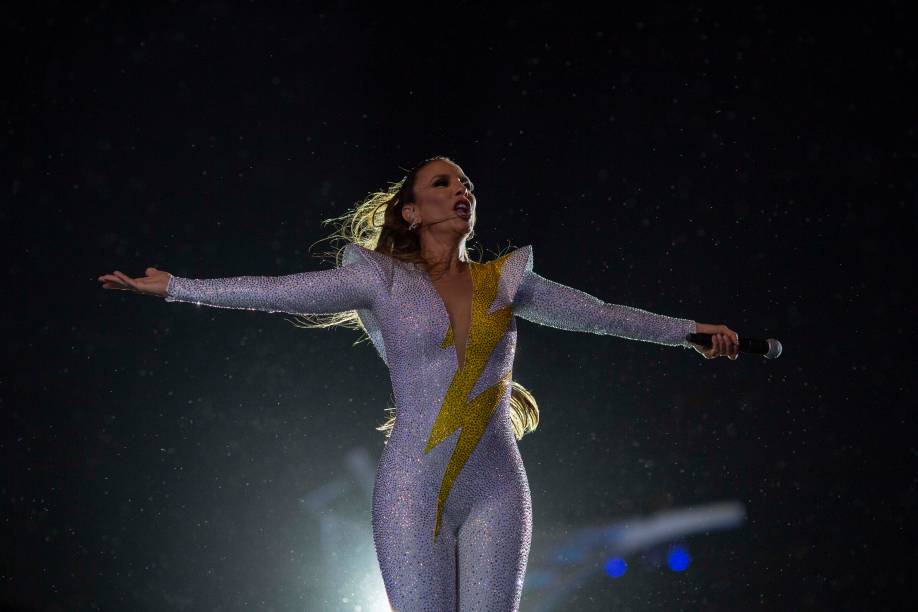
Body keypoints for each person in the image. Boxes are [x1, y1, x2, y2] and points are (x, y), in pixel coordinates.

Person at [98, 156, 739, 611]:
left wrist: (691, 329)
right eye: (443, 182)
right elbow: (271, 290)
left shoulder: (507, 283)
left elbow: (604, 315)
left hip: (498, 483)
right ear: (412, 210)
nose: (462, 189)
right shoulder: (378, 281)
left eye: (466, 183)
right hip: (413, 485)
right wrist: (176, 288)